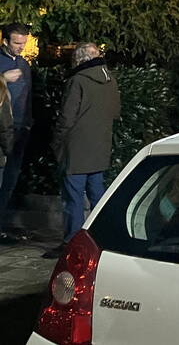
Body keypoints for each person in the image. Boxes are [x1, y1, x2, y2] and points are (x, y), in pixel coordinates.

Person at [50, 43, 120, 251]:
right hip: (100, 144)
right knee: (97, 191)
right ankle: (101, 236)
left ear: (78, 59)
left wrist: (56, 141)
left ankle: (72, 242)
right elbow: (115, 112)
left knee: (73, 197)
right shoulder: (110, 79)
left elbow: (66, 117)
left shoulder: (77, 81)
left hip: (76, 147)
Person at [0, 23, 32, 245]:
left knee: (10, 181)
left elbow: (29, 93)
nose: (21, 47)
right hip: (2, 130)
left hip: (21, 129)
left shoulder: (24, 64)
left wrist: (29, 121)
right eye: (17, 43)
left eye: (24, 42)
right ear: (5, 41)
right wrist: (2, 77)